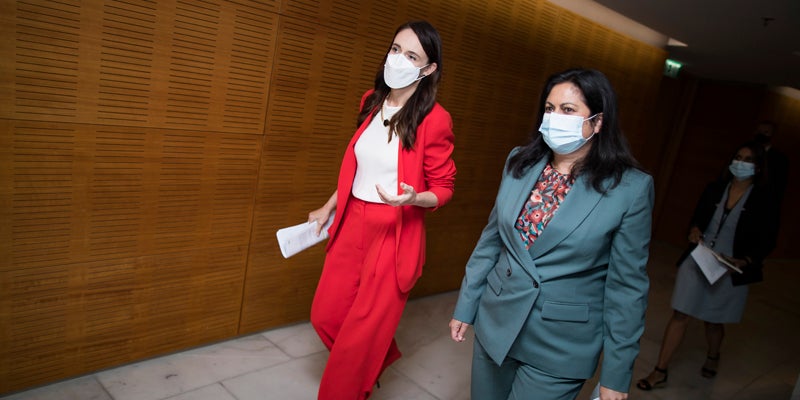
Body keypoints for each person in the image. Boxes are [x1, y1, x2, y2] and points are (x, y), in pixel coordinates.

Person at [449, 68, 654, 400]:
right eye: (549, 108)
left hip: (561, 343)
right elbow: (491, 240)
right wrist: (466, 304)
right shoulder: (520, 161)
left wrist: (617, 373)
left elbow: (627, 289)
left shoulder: (629, 188)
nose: (555, 117)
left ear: (598, 122)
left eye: (568, 110)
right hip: (496, 322)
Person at [307, 20, 456, 400]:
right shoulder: (370, 101)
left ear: (428, 68)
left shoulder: (434, 118)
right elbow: (362, 167)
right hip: (351, 221)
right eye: (395, 49)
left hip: (394, 229)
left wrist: (414, 198)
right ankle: (376, 356)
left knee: (357, 339)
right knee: (325, 315)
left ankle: (356, 373)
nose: (398, 59)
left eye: (412, 56)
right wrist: (328, 206)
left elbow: (444, 188)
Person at [636, 141, 780, 391]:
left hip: (730, 266)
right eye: (738, 157)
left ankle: (713, 355)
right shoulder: (716, 189)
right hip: (700, 258)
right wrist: (694, 230)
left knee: (713, 320)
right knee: (681, 313)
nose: (740, 163)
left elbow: (767, 239)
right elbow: (697, 218)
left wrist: (746, 260)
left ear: (758, 168)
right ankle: (660, 370)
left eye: (748, 160)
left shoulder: (763, 199)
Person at [753, 120, 789, 204]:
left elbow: (778, 187)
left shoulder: (780, 159)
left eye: (766, 132)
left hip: (762, 201)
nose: (761, 134)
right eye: (759, 131)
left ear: (773, 135)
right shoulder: (744, 151)